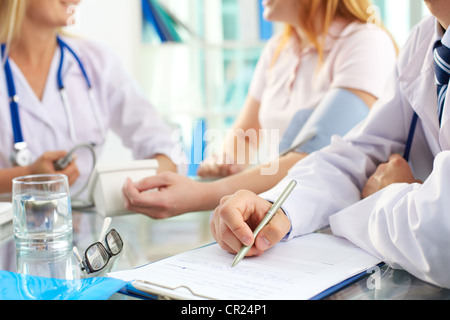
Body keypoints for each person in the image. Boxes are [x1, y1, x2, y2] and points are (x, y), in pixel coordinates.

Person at [210, 0, 450, 289]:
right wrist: (278, 207)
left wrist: (386, 194)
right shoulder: (424, 38)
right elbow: (357, 152)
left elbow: (441, 238)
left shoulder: (366, 42)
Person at [122, 0, 397, 219]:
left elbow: (314, 155)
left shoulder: (366, 42)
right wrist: (224, 162)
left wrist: (201, 195)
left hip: (340, 218)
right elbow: (243, 139)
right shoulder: (278, 49)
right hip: (285, 212)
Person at [0, 0, 185, 197]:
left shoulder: (97, 61)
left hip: (87, 223)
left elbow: (167, 148)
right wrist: (27, 176)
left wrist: (124, 190)